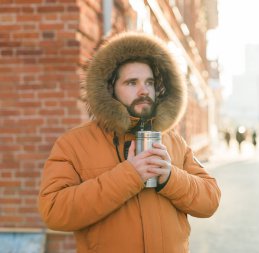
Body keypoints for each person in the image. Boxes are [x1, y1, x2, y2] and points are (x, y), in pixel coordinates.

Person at [38, 32, 221, 253]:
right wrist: (129, 176)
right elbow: (53, 211)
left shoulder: (173, 141)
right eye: (132, 82)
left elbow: (210, 200)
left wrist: (170, 177)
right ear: (110, 89)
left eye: (150, 82)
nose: (144, 90)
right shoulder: (74, 144)